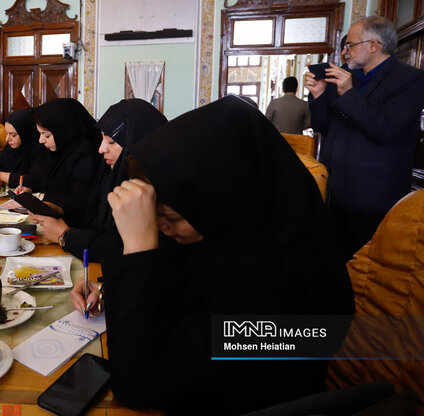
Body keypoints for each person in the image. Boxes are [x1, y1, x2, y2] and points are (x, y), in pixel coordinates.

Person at [71, 97, 354, 414]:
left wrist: (136, 249)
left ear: (225, 198)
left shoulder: (290, 293)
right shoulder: (224, 236)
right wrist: (112, 291)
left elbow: (136, 386)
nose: (164, 230)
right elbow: (178, 286)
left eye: (173, 219)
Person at [306, 15, 424, 261]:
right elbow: (324, 126)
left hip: (373, 197)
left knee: (365, 269)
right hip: (337, 193)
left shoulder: (409, 80)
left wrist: (348, 94)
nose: (345, 52)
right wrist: (318, 96)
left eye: (350, 45)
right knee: (335, 263)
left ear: (373, 45)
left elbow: (386, 129)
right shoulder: (352, 78)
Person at [29, 99, 167, 261]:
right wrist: (60, 211)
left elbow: (120, 246)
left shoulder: (151, 188)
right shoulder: (111, 173)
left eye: (111, 142)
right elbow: (92, 219)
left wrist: (65, 236)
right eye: (102, 139)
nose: (101, 149)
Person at [27, 98, 101, 228]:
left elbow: (80, 205)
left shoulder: (87, 153)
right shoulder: (58, 151)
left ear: (64, 130)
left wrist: (49, 202)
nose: (41, 140)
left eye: (46, 135)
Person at [0, 109, 47, 188]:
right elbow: (1, 170)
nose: (7, 139)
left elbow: (35, 182)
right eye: (6, 133)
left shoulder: (41, 150)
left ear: (25, 133)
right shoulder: (9, 148)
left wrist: (1, 176)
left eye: (13, 135)